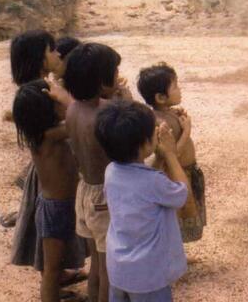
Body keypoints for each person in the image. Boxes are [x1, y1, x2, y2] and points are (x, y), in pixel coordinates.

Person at [8, 31, 87, 289]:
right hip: (52, 187)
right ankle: (52, 280)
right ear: (39, 58)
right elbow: (77, 123)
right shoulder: (40, 93)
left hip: (53, 184)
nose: (57, 54)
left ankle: (55, 275)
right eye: (51, 50)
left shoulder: (36, 89)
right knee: (51, 246)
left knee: (56, 243)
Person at [96, 99, 188, 302]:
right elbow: (181, 194)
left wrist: (158, 158)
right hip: (148, 275)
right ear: (144, 144)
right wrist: (171, 156)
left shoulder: (110, 171)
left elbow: (141, 186)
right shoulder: (153, 182)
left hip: (119, 268)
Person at [12, 79, 81, 302]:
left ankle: (56, 292)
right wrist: (65, 98)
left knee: (55, 265)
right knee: (51, 269)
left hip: (58, 205)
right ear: (47, 112)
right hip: (57, 209)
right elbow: (79, 120)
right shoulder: (50, 136)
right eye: (56, 103)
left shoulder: (39, 133)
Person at [64, 43, 122, 302]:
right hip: (105, 197)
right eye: (115, 71)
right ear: (101, 81)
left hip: (86, 191)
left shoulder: (73, 109)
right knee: (110, 265)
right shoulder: (105, 113)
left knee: (97, 263)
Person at [137, 63, 206, 243]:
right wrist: (186, 131)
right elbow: (171, 154)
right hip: (176, 175)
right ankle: (174, 254)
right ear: (160, 97)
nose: (179, 89)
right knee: (174, 217)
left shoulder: (167, 114)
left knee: (182, 216)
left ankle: (178, 253)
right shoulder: (160, 123)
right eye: (175, 86)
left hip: (186, 172)